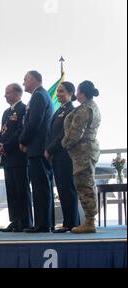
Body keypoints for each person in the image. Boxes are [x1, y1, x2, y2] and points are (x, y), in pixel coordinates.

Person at [62, 80, 101, 233]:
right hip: (86, 151)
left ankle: (90, 222)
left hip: (83, 153)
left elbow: (76, 133)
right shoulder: (91, 106)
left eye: (77, 91)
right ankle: (89, 220)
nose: (76, 94)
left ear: (82, 93)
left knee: (84, 186)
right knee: (86, 185)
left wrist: (64, 143)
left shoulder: (85, 109)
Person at [19, 71, 55, 233]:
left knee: (41, 187)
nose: (24, 82)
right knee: (42, 186)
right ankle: (44, 222)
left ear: (34, 80)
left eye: (26, 79)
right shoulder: (40, 95)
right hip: (39, 147)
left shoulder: (39, 96)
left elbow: (34, 122)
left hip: (38, 147)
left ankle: (43, 224)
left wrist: (23, 140)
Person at [0, 84, 33, 232]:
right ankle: (15, 220)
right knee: (11, 191)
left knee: (21, 190)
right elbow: (2, 132)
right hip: (7, 158)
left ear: (18, 93)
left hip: (19, 156)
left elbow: (20, 132)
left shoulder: (23, 109)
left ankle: (25, 221)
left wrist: (6, 146)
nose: (5, 96)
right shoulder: (6, 112)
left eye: (8, 93)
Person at [45, 82, 80, 233]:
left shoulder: (71, 111)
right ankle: (69, 222)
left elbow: (64, 134)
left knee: (68, 189)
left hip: (64, 155)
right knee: (62, 189)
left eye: (62, 91)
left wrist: (50, 149)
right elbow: (51, 132)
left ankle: (71, 223)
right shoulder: (60, 109)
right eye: (58, 91)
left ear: (71, 93)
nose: (58, 94)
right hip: (56, 156)